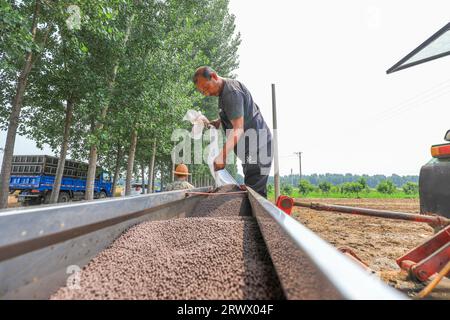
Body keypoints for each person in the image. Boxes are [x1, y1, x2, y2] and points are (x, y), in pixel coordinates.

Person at [193, 66, 273, 198]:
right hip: (250, 150)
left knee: (254, 194)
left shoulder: (231, 93)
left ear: (213, 76)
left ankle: (261, 217)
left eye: (206, 88)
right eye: (203, 92)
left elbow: (238, 129)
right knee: (251, 189)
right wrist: (219, 121)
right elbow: (237, 114)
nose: (206, 93)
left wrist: (222, 156)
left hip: (258, 147)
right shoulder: (224, 93)